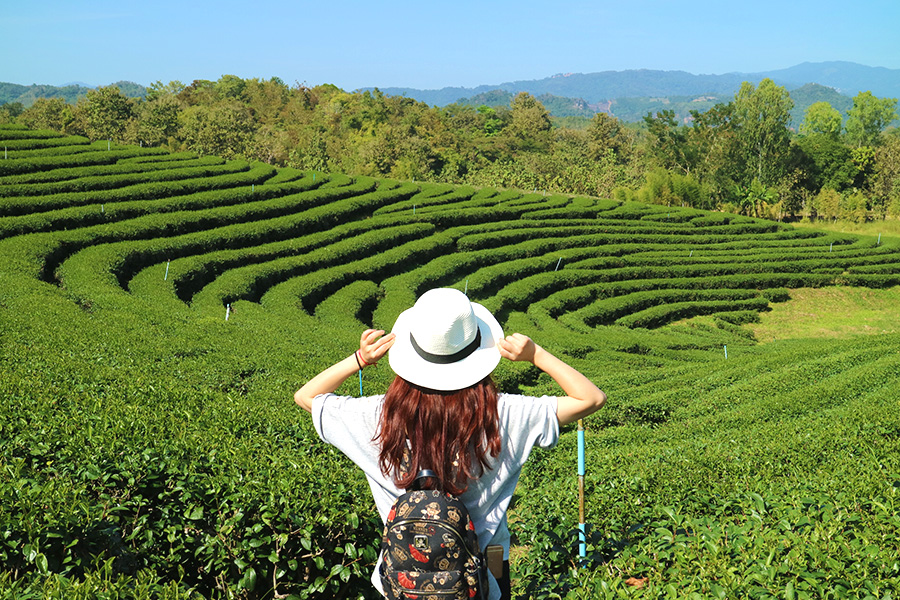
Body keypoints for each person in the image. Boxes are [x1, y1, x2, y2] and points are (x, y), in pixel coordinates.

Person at [294, 288, 606, 599]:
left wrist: (360, 359)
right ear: (477, 348)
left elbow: (306, 396)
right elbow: (591, 398)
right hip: (485, 577)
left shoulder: (379, 417)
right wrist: (535, 354)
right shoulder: (504, 414)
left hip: (403, 579)